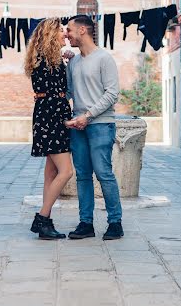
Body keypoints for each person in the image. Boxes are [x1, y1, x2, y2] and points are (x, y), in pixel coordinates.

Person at [65, 15, 123, 240]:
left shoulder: (104, 59)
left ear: (82, 31)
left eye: (69, 30)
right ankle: (85, 223)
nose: (66, 35)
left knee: (103, 173)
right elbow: (70, 92)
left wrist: (88, 116)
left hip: (100, 124)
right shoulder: (73, 62)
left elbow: (112, 94)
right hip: (77, 126)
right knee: (82, 176)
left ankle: (115, 222)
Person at [24, 17, 73, 240]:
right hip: (53, 115)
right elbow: (59, 90)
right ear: (51, 34)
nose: (65, 34)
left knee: (50, 174)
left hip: (45, 113)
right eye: (61, 31)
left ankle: (46, 224)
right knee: (66, 172)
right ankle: (42, 218)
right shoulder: (50, 61)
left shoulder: (45, 58)